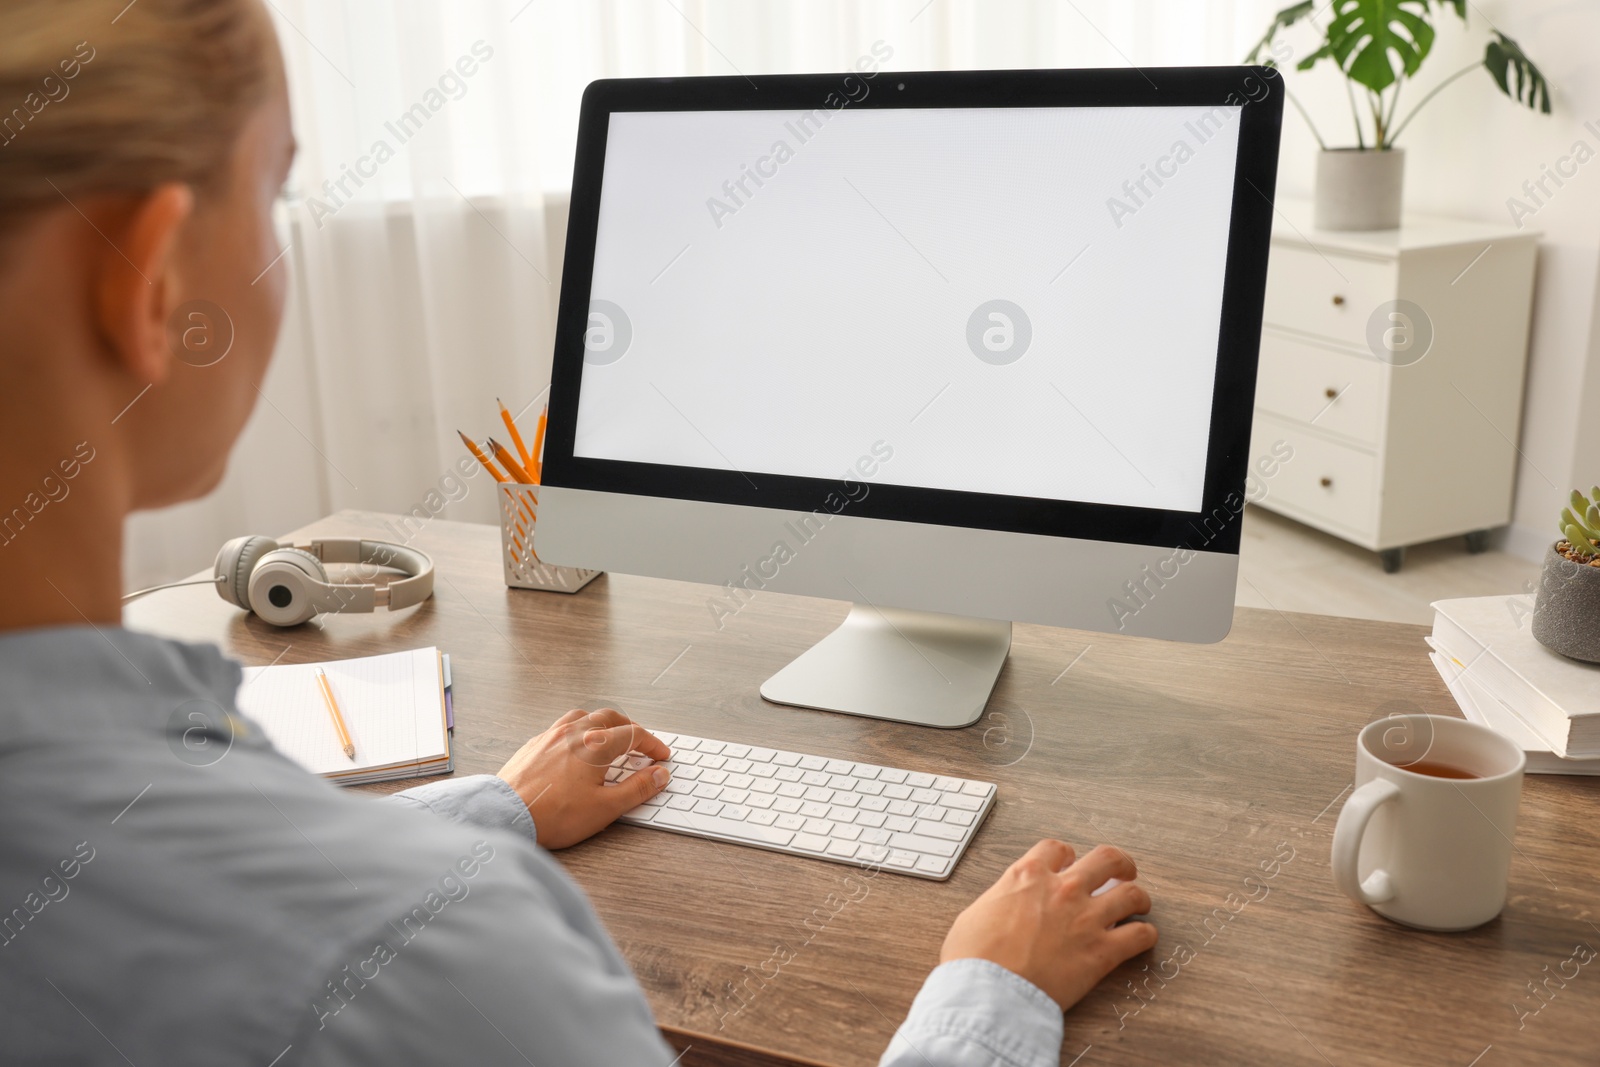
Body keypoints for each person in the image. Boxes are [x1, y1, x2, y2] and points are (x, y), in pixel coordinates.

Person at [0, 2, 1159, 1064]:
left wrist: (486, 807)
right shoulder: (427, 956)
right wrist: (990, 989)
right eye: (277, 193)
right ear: (147, 281)